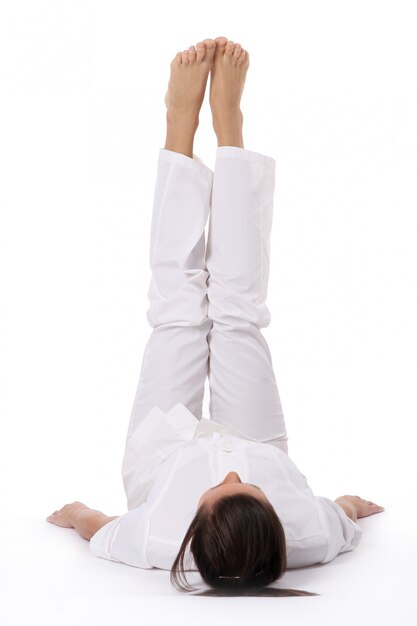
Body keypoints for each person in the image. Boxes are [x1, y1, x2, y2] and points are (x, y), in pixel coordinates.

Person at [46, 36, 385, 597]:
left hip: (163, 459)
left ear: (188, 530)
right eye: (251, 490)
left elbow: (97, 526)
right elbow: (342, 512)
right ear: (279, 520)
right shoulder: (312, 534)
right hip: (259, 441)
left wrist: (77, 511)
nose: (230, 475)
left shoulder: (156, 537)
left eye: (218, 491)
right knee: (238, 313)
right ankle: (231, 129)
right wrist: (353, 506)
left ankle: (179, 127)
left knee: (177, 311)